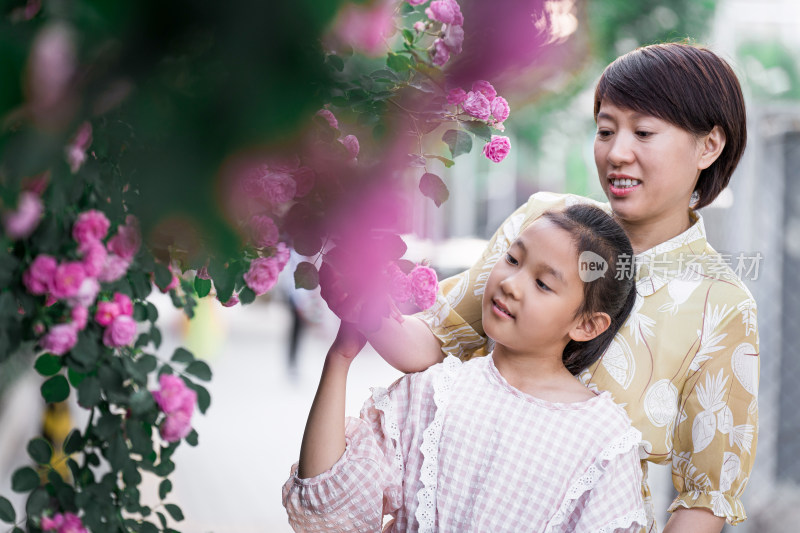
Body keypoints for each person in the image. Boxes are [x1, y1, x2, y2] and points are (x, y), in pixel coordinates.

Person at [357, 43, 759, 533]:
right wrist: (355, 286)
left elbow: (704, 498)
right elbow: (434, 340)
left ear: (709, 146)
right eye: (606, 130)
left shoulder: (722, 305)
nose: (616, 152)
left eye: (644, 132)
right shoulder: (543, 222)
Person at [283, 204, 647, 532]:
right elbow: (328, 512)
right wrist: (339, 359)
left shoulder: (604, 441)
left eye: (542, 283)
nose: (510, 283)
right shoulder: (434, 392)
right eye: (513, 259)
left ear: (587, 325)